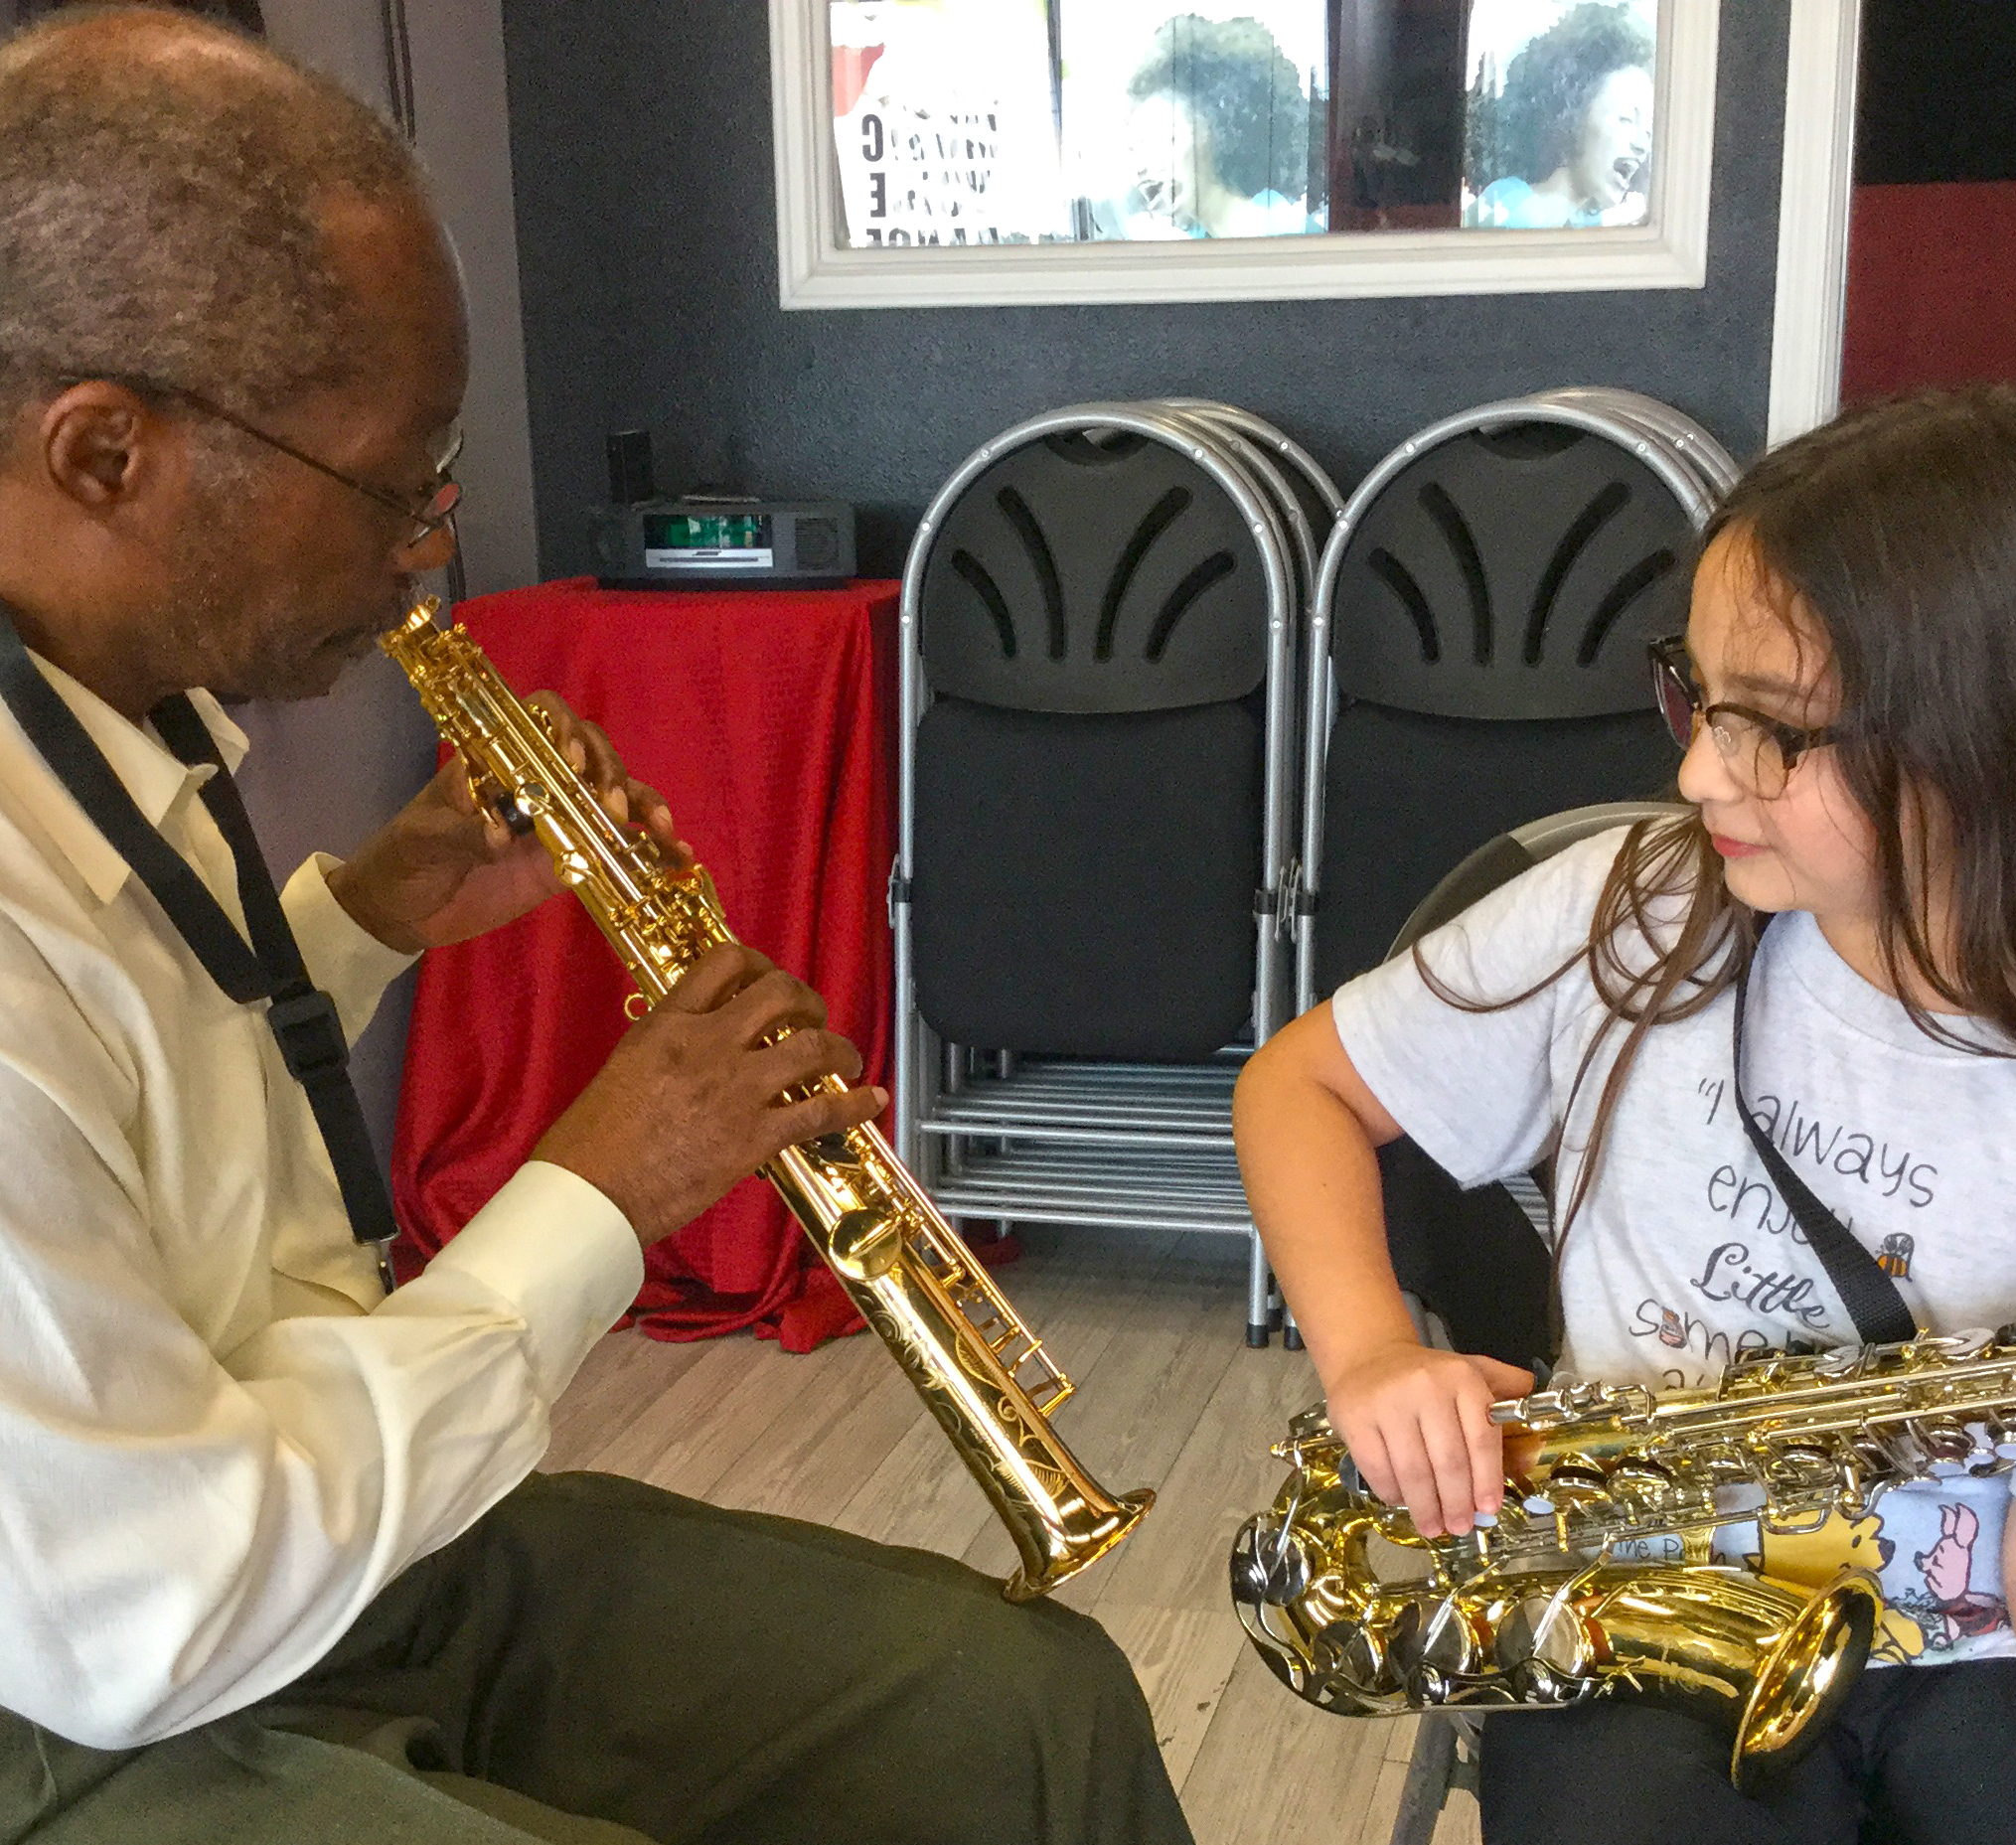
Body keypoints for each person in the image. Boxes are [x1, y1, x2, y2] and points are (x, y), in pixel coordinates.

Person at [0, 12, 1191, 1844]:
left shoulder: (111, 688)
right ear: (104, 457)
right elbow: (138, 1609)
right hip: (106, 1672)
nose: (429, 552)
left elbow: (116, 1108)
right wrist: (601, 1187)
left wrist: (369, 916)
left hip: (312, 1523)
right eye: (395, 485)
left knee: (1022, 1711)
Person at [1233, 384, 2016, 1843]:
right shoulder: (1638, 912)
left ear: (2002, 744)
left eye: (1770, 730)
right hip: (1638, 1603)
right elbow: (1301, 1087)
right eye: (1694, 692)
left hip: (1996, 1650)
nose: (1692, 771)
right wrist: (1372, 1356)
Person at [1109, 15, 1316, 240]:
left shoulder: (1287, 233)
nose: (1140, 168)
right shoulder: (1197, 240)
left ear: (1216, 127)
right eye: (1132, 150)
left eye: (1155, 139)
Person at [1469, 3, 1653, 230]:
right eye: (1625, 119)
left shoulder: (1592, 222)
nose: (1643, 145)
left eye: (1648, 132)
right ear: (1572, 114)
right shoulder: (1510, 207)